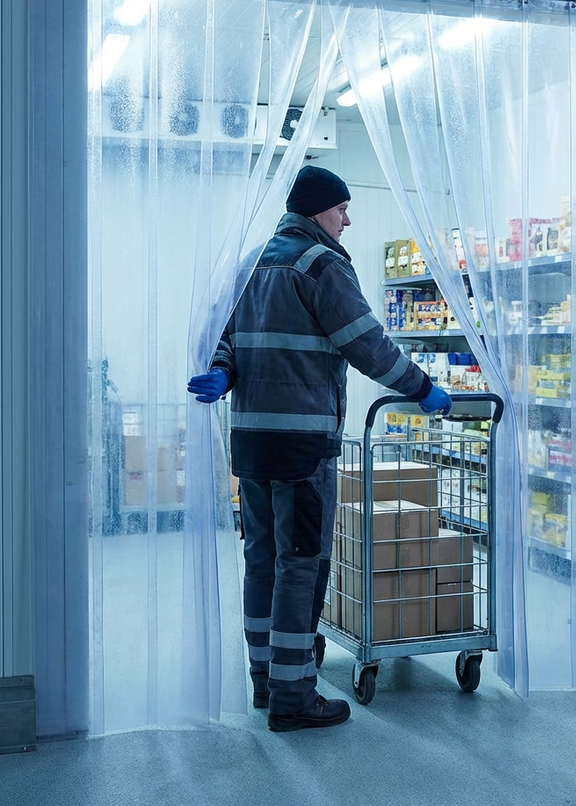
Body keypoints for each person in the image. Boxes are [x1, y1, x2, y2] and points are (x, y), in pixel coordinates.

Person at [187, 164, 451, 732]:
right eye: (341, 210)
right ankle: (293, 697)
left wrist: (220, 372)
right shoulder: (321, 265)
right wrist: (423, 388)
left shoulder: (253, 262)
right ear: (315, 212)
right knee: (301, 567)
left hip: (252, 442)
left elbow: (225, 339)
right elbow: (368, 346)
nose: (347, 220)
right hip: (303, 445)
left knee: (260, 561)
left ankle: (265, 681)